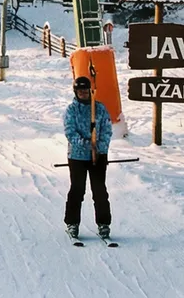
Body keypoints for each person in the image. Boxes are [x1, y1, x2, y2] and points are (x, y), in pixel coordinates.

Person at [63, 75, 114, 241]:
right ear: (75, 92)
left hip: (98, 155)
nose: (83, 93)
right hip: (77, 156)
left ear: (90, 91)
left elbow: (107, 129)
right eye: (80, 91)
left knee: (99, 190)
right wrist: (86, 144)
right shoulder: (72, 110)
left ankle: (103, 223)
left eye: (85, 90)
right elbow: (70, 132)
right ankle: (72, 223)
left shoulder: (99, 108)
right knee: (77, 189)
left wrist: (99, 147)